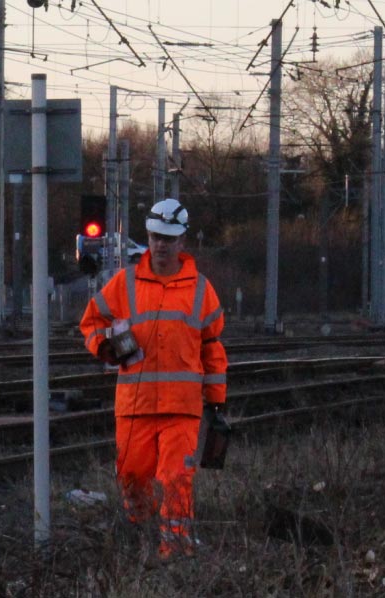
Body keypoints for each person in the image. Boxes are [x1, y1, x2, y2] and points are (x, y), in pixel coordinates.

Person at [77, 198, 228, 558]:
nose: (162, 245)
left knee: (177, 479)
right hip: (135, 406)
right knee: (132, 475)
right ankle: (141, 536)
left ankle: (174, 550)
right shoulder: (124, 283)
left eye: (169, 239)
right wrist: (105, 347)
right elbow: (91, 321)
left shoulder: (201, 290)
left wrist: (217, 402)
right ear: (149, 237)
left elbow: (213, 348)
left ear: (183, 243)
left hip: (182, 408)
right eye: (157, 237)